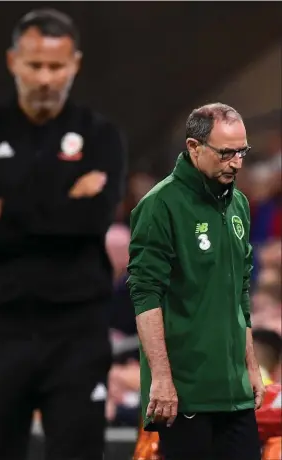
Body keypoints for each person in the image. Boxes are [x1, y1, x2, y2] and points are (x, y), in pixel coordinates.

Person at [0, 8, 126, 460]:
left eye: (56, 66)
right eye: (35, 65)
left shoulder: (101, 136)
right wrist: (66, 196)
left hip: (76, 332)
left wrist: (3, 206)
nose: (46, 78)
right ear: (13, 62)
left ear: (75, 65)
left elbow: (90, 222)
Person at [127, 103, 264, 460]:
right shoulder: (160, 204)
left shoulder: (239, 205)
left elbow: (242, 292)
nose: (236, 162)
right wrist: (161, 378)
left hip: (235, 390)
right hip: (184, 391)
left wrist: (250, 367)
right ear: (193, 147)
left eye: (242, 152)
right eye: (226, 153)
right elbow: (145, 294)